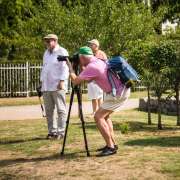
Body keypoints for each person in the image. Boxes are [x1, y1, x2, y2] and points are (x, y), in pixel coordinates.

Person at [66, 46, 130, 157]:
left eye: (78, 57)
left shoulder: (92, 66)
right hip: (119, 91)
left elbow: (75, 81)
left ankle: (110, 147)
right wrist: (81, 66)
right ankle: (112, 144)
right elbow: (89, 79)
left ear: (82, 56)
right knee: (104, 116)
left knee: (98, 116)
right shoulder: (98, 60)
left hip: (118, 93)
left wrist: (70, 68)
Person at [37, 34, 69, 140]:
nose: (46, 43)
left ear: (55, 41)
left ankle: (60, 132)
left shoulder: (62, 52)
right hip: (46, 86)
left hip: (57, 86)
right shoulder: (46, 53)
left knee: (61, 110)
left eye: (48, 41)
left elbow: (65, 68)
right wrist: (41, 82)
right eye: (45, 41)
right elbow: (44, 68)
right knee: (49, 111)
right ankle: (52, 132)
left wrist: (62, 81)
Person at [86, 39, 107, 118]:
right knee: (92, 96)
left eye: (91, 45)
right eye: (89, 45)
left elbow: (106, 64)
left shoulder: (101, 53)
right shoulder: (89, 54)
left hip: (98, 78)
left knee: (99, 95)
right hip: (90, 78)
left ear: (96, 46)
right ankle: (94, 112)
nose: (89, 46)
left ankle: (100, 112)